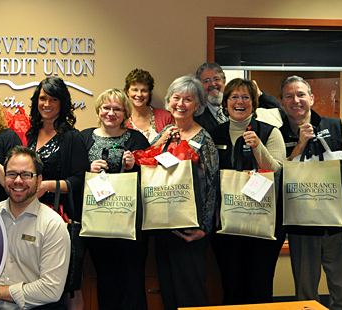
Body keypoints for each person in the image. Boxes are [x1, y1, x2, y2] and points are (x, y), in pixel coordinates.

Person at [278, 75, 342, 310]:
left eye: (301, 95)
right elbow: (277, 177)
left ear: (312, 98)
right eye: (289, 96)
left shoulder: (337, 127)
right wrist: (299, 146)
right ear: (281, 102)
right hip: (301, 229)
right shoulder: (277, 135)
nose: (295, 100)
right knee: (305, 297)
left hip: (340, 226)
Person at [208, 78, 286, 305]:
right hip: (226, 222)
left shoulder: (270, 132)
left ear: (254, 103)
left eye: (246, 97)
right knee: (231, 286)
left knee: (259, 286)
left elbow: (278, 171)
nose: (240, 102)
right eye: (234, 97)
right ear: (226, 103)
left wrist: (257, 146)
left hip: (263, 221)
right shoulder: (215, 134)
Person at [150, 75, 219, 310]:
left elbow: (212, 187)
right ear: (169, 101)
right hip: (164, 225)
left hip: (191, 227)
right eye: (176, 98)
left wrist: (204, 229)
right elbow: (150, 167)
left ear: (197, 105)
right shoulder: (166, 132)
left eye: (188, 99)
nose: (180, 104)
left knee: (191, 292)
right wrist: (161, 143)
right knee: (168, 290)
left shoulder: (204, 139)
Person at [0, 146, 70, 310]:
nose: (18, 180)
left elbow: (51, 289)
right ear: (4, 178)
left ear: (39, 180)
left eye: (26, 175)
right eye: (12, 174)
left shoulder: (52, 225)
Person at [80, 88, 149, 310]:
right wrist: (87, 169)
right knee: (106, 280)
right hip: (97, 223)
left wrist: (133, 166)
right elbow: (72, 175)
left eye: (117, 109)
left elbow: (150, 180)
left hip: (130, 225)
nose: (111, 113)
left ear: (125, 113)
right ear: (99, 110)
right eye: (107, 108)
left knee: (133, 281)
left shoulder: (137, 139)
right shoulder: (83, 138)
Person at [26, 76, 88, 309]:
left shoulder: (72, 137)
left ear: (62, 103)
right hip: (32, 217)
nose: (47, 104)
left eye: (53, 99)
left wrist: (46, 186)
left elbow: (80, 180)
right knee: (38, 282)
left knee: (69, 287)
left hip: (61, 219)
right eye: (42, 98)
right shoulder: (32, 134)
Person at [194, 62, 281, 132]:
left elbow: (276, 109)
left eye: (216, 79)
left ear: (224, 81)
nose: (213, 84)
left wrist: (259, 94)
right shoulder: (196, 114)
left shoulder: (238, 103)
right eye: (207, 81)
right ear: (200, 85)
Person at [124, 68, 174, 143]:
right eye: (135, 90)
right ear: (127, 92)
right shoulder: (120, 119)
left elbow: (174, 146)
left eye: (144, 90)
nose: (139, 94)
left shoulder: (166, 117)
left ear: (149, 93)